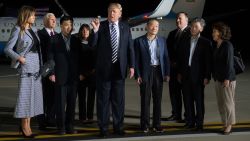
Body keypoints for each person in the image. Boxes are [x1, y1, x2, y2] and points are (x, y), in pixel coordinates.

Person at [89, 3, 135, 137]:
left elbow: (130, 48)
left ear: (120, 13)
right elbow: (92, 44)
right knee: (103, 101)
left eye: (114, 11)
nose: (112, 14)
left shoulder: (125, 27)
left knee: (118, 101)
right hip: (104, 71)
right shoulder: (101, 26)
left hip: (119, 69)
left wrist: (132, 66)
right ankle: (103, 129)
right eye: (109, 11)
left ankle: (118, 127)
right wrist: (95, 31)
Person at [4, 5, 43, 138]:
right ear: (26, 16)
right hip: (26, 67)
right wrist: (20, 58)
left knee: (33, 99)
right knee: (25, 98)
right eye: (32, 15)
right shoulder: (17, 29)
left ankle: (28, 126)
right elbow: (8, 49)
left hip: (36, 67)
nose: (34, 17)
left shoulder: (34, 30)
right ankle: (24, 127)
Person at [134, 19, 170, 133]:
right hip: (146, 72)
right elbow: (136, 60)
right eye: (152, 26)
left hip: (158, 71)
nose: (155, 28)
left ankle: (157, 124)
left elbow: (165, 58)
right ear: (147, 27)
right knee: (145, 99)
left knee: (157, 100)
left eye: (157, 26)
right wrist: (137, 75)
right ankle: (144, 125)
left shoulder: (162, 40)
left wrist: (167, 73)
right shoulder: (139, 41)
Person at [48, 15, 81, 135]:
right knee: (60, 104)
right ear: (61, 25)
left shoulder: (76, 40)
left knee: (72, 103)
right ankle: (60, 127)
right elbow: (50, 58)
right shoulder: (54, 39)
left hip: (73, 78)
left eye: (71, 25)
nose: (69, 27)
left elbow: (80, 59)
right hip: (60, 76)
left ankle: (70, 126)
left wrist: (80, 73)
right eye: (66, 25)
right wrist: (52, 73)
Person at [178, 18, 212, 131]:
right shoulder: (185, 40)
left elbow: (208, 61)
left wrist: (207, 76)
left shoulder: (206, 43)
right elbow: (182, 59)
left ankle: (199, 123)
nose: (193, 28)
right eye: (192, 26)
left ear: (201, 29)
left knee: (199, 101)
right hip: (186, 75)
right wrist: (180, 73)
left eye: (196, 27)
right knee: (187, 100)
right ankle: (190, 122)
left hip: (198, 77)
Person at [212, 22, 236, 135]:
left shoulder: (227, 45)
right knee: (221, 103)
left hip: (227, 79)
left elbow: (229, 64)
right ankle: (224, 123)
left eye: (214, 31)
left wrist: (227, 78)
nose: (213, 33)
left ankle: (230, 125)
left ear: (220, 32)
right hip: (218, 78)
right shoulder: (217, 45)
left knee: (228, 103)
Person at [166, 12, 190, 122]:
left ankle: (188, 115)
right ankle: (176, 114)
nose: (177, 21)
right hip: (173, 70)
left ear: (186, 20)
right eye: (177, 19)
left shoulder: (191, 33)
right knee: (174, 93)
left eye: (180, 18)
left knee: (186, 94)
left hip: (185, 70)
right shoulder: (172, 34)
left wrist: (180, 66)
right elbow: (167, 52)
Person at [37, 12, 57, 130]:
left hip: (54, 72)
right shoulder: (40, 34)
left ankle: (50, 118)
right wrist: (49, 73)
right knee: (42, 98)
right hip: (43, 72)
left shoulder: (57, 35)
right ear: (45, 21)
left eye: (55, 19)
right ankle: (41, 121)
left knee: (53, 96)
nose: (54, 21)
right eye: (51, 19)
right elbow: (43, 56)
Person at [77, 24, 96, 123]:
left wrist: (94, 70)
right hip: (81, 74)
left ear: (90, 32)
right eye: (83, 30)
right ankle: (82, 117)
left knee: (91, 96)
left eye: (87, 30)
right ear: (80, 32)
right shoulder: (77, 43)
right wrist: (80, 73)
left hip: (92, 73)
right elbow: (76, 60)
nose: (85, 32)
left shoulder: (93, 43)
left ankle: (90, 117)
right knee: (82, 96)